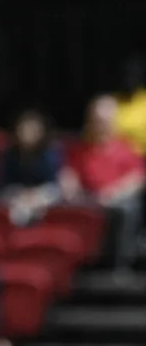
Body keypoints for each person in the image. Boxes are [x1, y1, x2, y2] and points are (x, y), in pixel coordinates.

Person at [69, 95, 145, 270]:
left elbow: (137, 179)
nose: (100, 125)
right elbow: (69, 176)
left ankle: (117, 267)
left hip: (116, 200)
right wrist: (72, 187)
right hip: (86, 198)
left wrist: (113, 193)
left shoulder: (126, 147)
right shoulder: (79, 149)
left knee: (127, 209)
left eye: (105, 121)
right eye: (96, 120)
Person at [0, 110, 80, 226]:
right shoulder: (10, 154)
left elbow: (54, 185)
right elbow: (4, 184)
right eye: (24, 129)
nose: (27, 134)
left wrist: (35, 195)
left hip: (44, 197)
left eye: (32, 130)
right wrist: (22, 194)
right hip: (17, 197)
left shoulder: (51, 153)